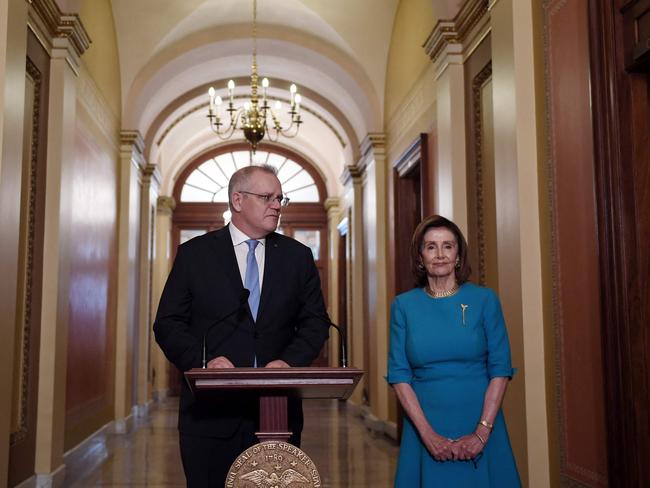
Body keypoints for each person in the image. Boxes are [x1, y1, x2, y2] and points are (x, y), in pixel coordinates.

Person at [153, 164, 329, 487]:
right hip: (210, 417)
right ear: (237, 200)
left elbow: (315, 323)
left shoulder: (298, 257)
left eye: (280, 198)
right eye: (267, 197)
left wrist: (289, 362)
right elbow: (168, 324)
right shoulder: (195, 255)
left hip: (278, 415)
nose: (276, 205)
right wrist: (203, 362)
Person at [386, 214, 520, 487]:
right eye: (431, 246)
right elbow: (399, 376)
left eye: (448, 246)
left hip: (481, 418)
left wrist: (481, 433)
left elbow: (500, 369)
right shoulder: (403, 306)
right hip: (424, 424)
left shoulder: (485, 300)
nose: (440, 254)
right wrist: (428, 435)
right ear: (420, 257)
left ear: (459, 255)